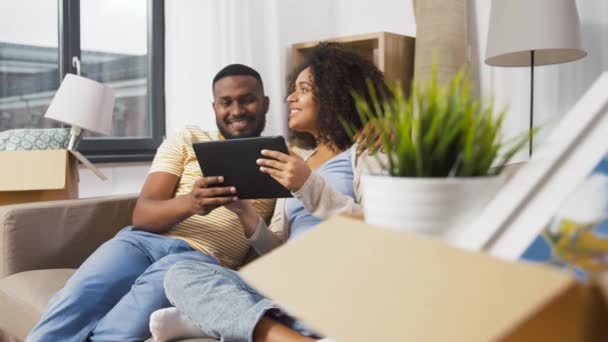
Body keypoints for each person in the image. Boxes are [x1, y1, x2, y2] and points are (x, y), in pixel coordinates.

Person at [151, 42, 388, 342]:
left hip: (339, 279)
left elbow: (380, 232)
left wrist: (307, 186)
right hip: (289, 284)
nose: (290, 97)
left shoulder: (367, 151)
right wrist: (243, 211)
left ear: (334, 95)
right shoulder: (294, 159)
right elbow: (277, 251)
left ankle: (230, 320)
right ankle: (291, 332)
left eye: (303, 89)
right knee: (182, 274)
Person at [27, 64, 276, 342]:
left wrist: (243, 212)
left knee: (122, 328)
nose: (237, 111)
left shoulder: (283, 164)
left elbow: (277, 250)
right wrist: (191, 202)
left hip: (199, 261)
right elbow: (143, 215)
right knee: (75, 301)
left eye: (247, 100)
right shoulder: (188, 138)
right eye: (225, 102)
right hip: (142, 242)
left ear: (264, 103)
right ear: (214, 106)